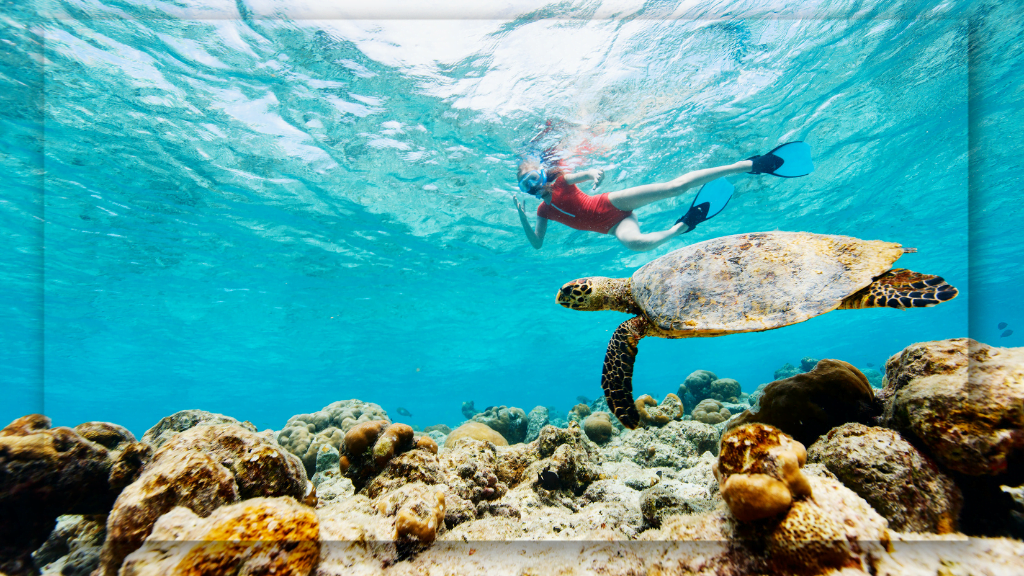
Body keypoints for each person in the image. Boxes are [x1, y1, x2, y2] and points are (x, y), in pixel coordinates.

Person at [513, 142, 812, 252]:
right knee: (637, 245)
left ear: (543, 174)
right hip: (614, 227)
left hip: (612, 203)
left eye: (534, 179)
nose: (534, 186)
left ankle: (749, 165)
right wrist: (523, 218)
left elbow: (588, 173)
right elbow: (537, 244)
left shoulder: (563, 182)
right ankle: (683, 225)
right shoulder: (542, 213)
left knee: (674, 187)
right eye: (527, 186)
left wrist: (594, 175)